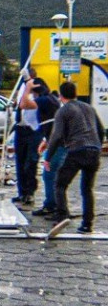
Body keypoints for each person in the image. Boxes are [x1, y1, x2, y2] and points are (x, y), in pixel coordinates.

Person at [41, 81, 105, 233]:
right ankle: (87, 224)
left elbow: (56, 136)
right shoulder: (89, 108)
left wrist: (48, 157)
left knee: (60, 184)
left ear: (61, 96)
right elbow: (101, 130)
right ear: (76, 93)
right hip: (94, 150)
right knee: (87, 189)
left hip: (77, 150)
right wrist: (98, 146)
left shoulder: (63, 111)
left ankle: (62, 216)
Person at [32, 82, 64, 217]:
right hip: (57, 143)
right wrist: (45, 141)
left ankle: (52, 205)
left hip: (59, 145)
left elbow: (24, 104)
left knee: (49, 174)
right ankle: (53, 205)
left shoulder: (45, 100)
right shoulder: (53, 101)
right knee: (52, 175)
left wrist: (27, 87)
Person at [12, 73, 44, 205]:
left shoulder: (35, 93)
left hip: (33, 130)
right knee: (20, 161)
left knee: (31, 161)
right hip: (20, 128)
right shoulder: (22, 90)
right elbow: (18, 104)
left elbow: (24, 105)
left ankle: (30, 192)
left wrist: (28, 88)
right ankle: (22, 192)